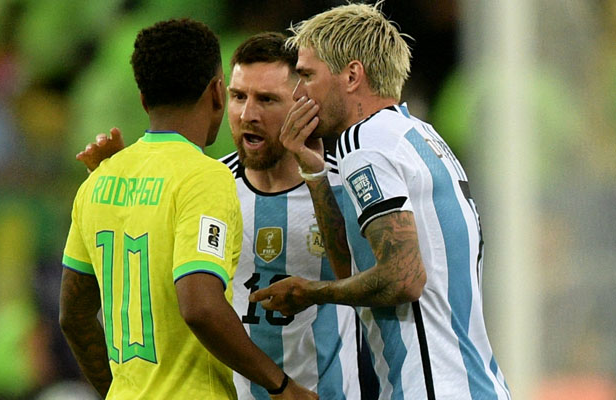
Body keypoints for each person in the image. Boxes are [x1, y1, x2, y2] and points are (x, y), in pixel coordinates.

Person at [77, 32, 371, 400]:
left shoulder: (343, 184)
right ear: (220, 96)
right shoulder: (205, 186)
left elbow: (370, 284)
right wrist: (121, 173)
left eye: (267, 100)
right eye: (239, 97)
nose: (248, 114)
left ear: (301, 104)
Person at [248, 3, 512, 399]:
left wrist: (309, 293)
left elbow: (404, 278)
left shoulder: (365, 143)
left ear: (352, 75)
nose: (298, 93)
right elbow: (354, 267)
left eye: (306, 75)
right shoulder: (419, 137)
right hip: (476, 385)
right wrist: (315, 173)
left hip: (430, 388)